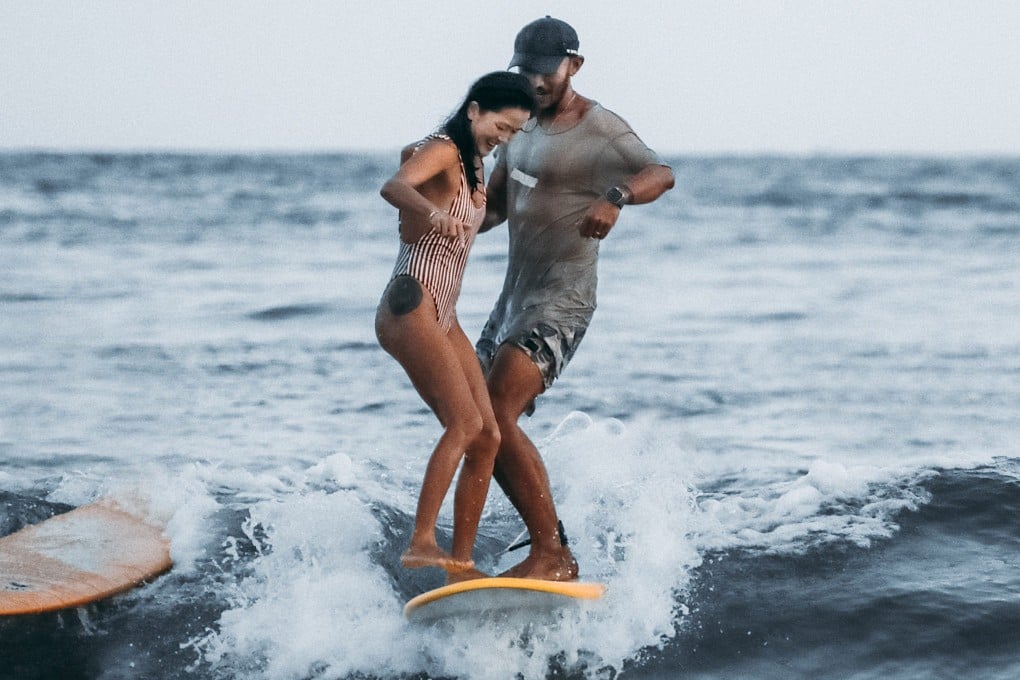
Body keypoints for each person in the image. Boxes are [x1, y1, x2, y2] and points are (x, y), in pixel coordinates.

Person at [476, 17, 676, 581]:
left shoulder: (601, 128)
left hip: (562, 300)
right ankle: (545, 542)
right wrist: (445, 222)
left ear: (573, 65)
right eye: (526, 71)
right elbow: (494, 207)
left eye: (545, 72)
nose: (535, 82)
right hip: (511, 301)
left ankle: (553, 555)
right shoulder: (517, 130)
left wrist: (615, 197)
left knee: (495, 412)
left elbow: (660, 174)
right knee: (477, 423)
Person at [375, 72, 535, 576]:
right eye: (501, 126)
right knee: (464, 424)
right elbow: (395, 185)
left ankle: (460, 562)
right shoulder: (445, 148)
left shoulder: (475, 167)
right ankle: (422, 541)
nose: (503, 138)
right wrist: (428, 212)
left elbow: (407, 155)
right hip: (412, 303)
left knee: (488, 436)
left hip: (444, 314)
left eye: (513, 133)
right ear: (474, 110)